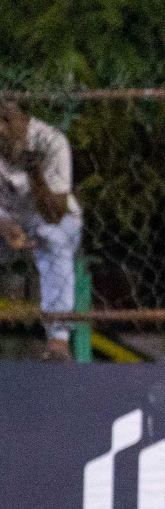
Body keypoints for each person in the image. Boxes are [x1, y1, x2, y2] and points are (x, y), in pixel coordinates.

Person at [0, 102, 83, 360]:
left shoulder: (51, 141)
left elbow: (55, 213)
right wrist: (4, 224)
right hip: (5, 217)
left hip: (45, 217)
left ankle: (58, 341)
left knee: (56, 237)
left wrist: (35, 173)